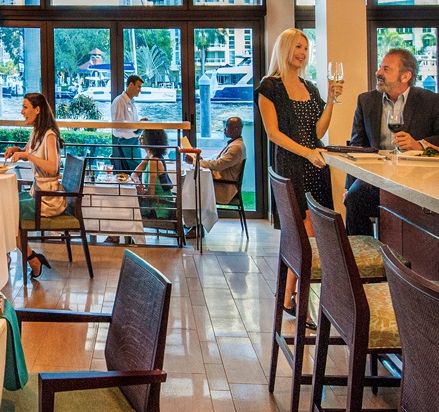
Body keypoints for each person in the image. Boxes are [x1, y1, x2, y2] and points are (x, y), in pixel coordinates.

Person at [255, 28, 342, 329]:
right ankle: (292, 297)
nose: (303, 53)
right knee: (299, 232)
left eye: (306, 48)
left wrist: (331, 100)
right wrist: (306, 153)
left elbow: (318, 132)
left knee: (311, 233)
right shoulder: (270, 86)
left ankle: (291, 295)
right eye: (297, 47)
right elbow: (273, 134)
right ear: (285, 49)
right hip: (292, 165)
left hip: (315, 166)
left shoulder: (310, 87)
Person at [345, 48, 439, 235]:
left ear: (405, 76)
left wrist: (419, 145)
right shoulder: (366, 101)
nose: (378, 72)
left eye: (386, 69)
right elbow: (357, 146)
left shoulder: (431, 101)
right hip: (376, 180)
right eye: (380, 67)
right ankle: (362, 258)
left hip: (416, 182)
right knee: (353, 199)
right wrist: (348, 186)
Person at [4, 93, 64, 279]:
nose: (22, 112)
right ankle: (19, 256)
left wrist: (27, 156)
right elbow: (31, 153)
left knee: (7, 212)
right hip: (38, 192)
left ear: (37, 110)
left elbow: (53, 167)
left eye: (25, 107)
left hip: (48, 198)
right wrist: (18, 150)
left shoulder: (49, 136)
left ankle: (28, 258)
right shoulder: (37, 133)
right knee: (5, 205)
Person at [186, 117, 247, 204]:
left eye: (227, 127)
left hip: (223, 186)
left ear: (235, 129)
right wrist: (201, 160)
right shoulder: (235, 144)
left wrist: (196, 162)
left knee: (190, 185)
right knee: (191, 183)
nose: (224, 129)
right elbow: (219, 161)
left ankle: (193, 214)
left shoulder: (236, 147)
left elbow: (219, 165)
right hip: (221, 182)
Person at [131, 129, 175, 221]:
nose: (139, 139)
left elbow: (150, 195)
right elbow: (135, 173)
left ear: (150, 140)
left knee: (126, 207)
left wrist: (142, 192)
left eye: (142, 137)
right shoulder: (149, 157)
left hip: (159, 207)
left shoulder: (154, 161)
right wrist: (137, 182)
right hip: (155, 203)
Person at [111, 75, 147, 173]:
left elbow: (129, 123)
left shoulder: (131, 102)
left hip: (133, 141)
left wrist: (139, 124)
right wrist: (137, 125)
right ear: (131, 85)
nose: (140, 90)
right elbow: (118, 126)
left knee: (137, 170)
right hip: (126, 142)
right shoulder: (119, 102)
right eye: (138, 87)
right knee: (137, 170)